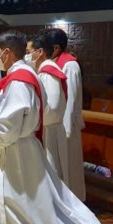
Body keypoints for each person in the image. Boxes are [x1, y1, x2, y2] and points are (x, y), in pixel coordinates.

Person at [0, 30, 102, 224]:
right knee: (31, 198)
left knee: (26, 200)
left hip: (19, 149)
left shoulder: (18, 81)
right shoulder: (28, 73)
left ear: (7, 53)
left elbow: (10, 128)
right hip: (25, 144)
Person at [45, 28, 86, 201]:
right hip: (56, 125)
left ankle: (73, 202)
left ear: (55, 47)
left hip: (65, 125)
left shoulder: (70, 64)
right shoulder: (53, 63)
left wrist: (67, 128)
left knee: (69, 167)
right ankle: (59, 201)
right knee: (57, 167)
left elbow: (72, 97)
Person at [26, 32, 69, 184]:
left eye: (28, 52)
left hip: (50, 131)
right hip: (49, 130)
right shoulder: (46, 71)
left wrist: (31, 118)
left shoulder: (48, 73)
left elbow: (54, 107)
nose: (27, 57)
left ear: (40, 52)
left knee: (53, 173)